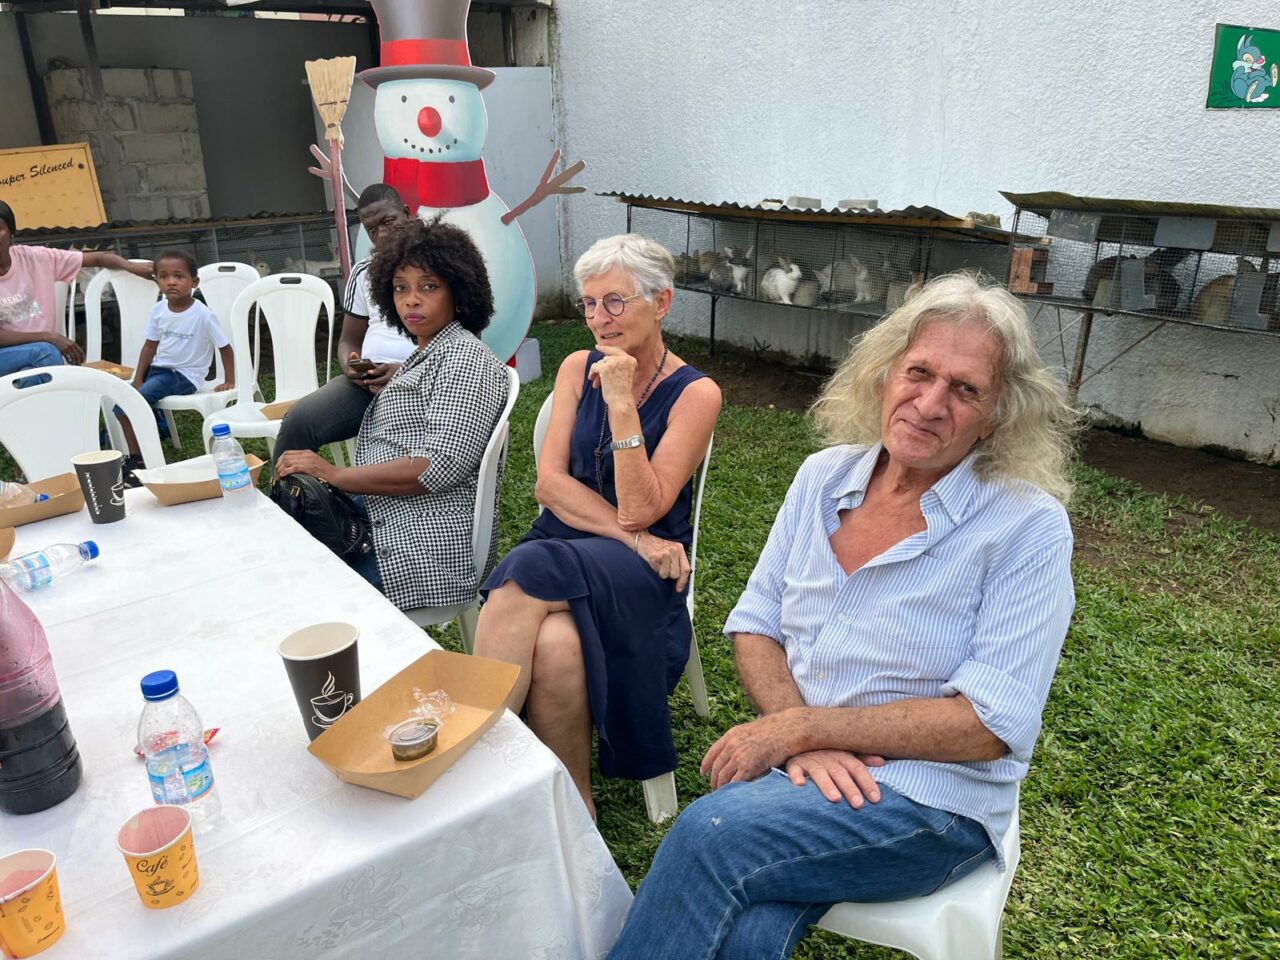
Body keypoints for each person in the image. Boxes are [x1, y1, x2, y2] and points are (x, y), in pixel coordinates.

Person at [606, 273, 1078, 960]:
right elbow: (756, 624)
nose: (930, 403)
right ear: (885, 373)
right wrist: (803, 739)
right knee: (747, 928)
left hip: (933, 805)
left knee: (712, 836)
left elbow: (989, 725)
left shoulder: (1027, 526)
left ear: (997, 415)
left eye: (965, 389)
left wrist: (802, 728)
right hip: (807, 776)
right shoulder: (823, 478)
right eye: (919, 372)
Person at [473, 234, 722, 818]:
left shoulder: (697, 394)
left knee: (526, 570)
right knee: (556, 644)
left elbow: (642, 508)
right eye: (588, 303)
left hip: (643, 572)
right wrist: (635, 539)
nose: (597, 318)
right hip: (616, 545)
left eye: (614, 301)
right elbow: (549, 486)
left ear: (661, 303)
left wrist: (621, 402)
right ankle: (575, 805)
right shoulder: (573, 367)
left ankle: (476, 775)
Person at [274, 216, 509, 611]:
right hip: (386, 517)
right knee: (275, 556)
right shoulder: (431, 351)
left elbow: (438, 466)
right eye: (400, 288)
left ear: (459, 292)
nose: (411, 300)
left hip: (419, 548)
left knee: (287, 597)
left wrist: (333, 474)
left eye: (428, 287)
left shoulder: (465, 359)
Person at [272, 184, 413, 462]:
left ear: (407, 213)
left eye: (388, 222)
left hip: (423, 383)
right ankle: (288, 491)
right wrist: (352, 365)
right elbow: (349, 339)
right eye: (372, 229)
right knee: (299, 420)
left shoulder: (439, 265)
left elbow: (461, 341)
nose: (382, 235)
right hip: (368, 384)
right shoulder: (364, 273)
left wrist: (405, 372)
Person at [114, 250, 234, 482]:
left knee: (127, 408)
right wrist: (138, 379)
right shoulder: (158, 310)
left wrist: (229, 379)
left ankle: (139, 461)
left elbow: (225, 347)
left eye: (178, 276)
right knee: (122, 401)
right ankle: (146, 444)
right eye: (164, 276)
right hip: (158, 371)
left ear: (194, 282)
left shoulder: (203, 314)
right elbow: (149, 347)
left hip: (182, 376)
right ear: (157, 280)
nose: (171, 282)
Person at [0, 198, 154, 378]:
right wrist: (48, 336)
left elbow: (97, 258)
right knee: (45, 354)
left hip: (35, 358)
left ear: (11, 233)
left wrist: (131, 266)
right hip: (13, 354)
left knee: (31, 373)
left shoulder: (35, 258)